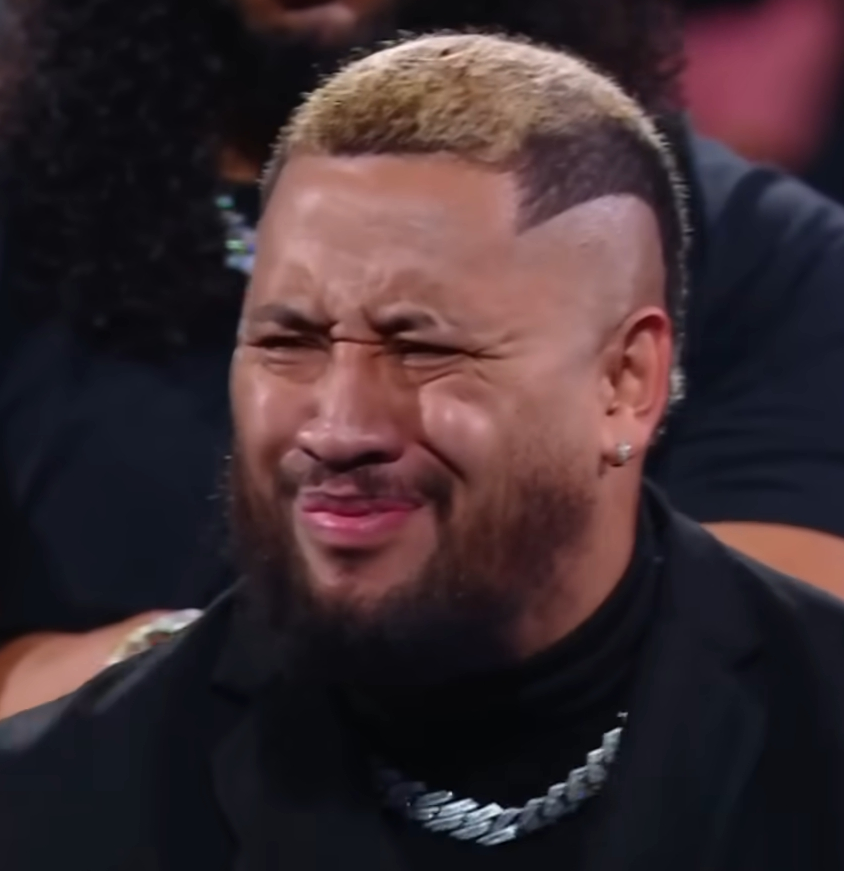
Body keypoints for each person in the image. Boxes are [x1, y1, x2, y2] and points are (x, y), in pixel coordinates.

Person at [4, 34, 844, 870]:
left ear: (626, 382)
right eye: (289, 342)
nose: (339, 427)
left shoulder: (811, 729)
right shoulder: (61, 805)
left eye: (424, 349)